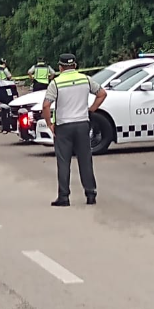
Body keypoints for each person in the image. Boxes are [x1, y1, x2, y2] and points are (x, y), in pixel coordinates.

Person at [41, 53, 107, 207]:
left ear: (60, 67)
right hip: (82, 124)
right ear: (75, 66)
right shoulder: (85, 79)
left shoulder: (56, 83)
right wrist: (90, 111)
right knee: (85, 160)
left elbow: (46, 105)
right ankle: (90, 194)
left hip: (63, 126)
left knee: (64, 162)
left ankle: (64, 197)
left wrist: (49, 124)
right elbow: (102, 94)